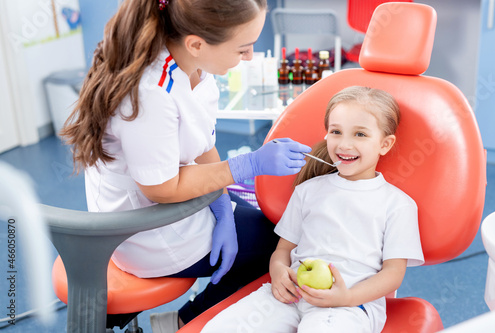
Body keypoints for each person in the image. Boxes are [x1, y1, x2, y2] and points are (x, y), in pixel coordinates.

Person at [60, 0, 311, 332]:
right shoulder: (151, 93)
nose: (249, 57)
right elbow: (161, 188)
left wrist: (222, 204)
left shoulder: (194, 68)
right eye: (243, 48)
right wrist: (249, 164)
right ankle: (186, 320)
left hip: (175, 205)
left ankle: (185, 318)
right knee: (277, 245)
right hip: (147, 231)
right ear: (196, 43)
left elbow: (203, 142)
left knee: (262, 228)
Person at [201, 86, 425, 333]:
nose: (345, 144)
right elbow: (283, 250)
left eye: (360, 134)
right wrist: (277, 271)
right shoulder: (308, 190)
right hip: (292, 295)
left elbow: (393, 274)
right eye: (336, 132)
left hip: (348, 306)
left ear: (385, 144)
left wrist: (348, 298)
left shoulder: (398, 204)